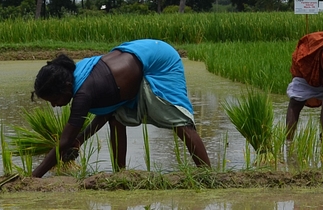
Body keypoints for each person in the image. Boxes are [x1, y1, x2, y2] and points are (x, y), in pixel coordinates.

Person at [30, 39, 211, 177]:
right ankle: (120, 174)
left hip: (159, 61)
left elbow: (64, 141)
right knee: (117, 117)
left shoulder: (84, 93)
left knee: (179, 121)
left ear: (67, 86)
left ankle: (208, 174)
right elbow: (107, 111)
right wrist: (80, 140)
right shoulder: (80, 73)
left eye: (54, 99)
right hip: (139, 53)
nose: (54, 105)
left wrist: (34, 176)